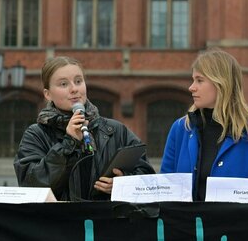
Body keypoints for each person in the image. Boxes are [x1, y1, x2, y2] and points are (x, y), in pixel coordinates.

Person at [15, 56, 155, 201]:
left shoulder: (115, 130)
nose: (74, 89)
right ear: (48, 94)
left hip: (105, 220)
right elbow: (31, 185)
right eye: (63, 84)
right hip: (59, 221)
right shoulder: (36, 135)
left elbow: (148, 179)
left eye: (78, 81)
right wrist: (68, 144)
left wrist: (123, 184)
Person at [160, 49, 248, 201]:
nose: (191, 87)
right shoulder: (181, 128)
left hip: (238, 224)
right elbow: (165, 190)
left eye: (199, 80)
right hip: (186, 224)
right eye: (193, 80)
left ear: (221, 83)